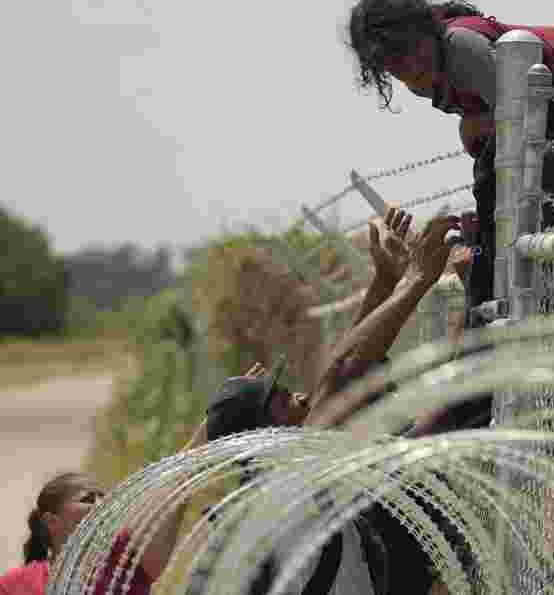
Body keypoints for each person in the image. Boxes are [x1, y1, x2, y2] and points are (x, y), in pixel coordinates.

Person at [199, 209, 463, 595]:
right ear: (264, 429)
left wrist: (386, 281)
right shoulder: (293, 480)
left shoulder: (270, 489)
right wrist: (417, 278)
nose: (302, 397)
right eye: (285, 399)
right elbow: (343, 371)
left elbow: (340, 373)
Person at [346, 0, 554, 317]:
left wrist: (477, 129)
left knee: (494, 183)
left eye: (409, 50)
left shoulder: (460, 46)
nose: (409, 66)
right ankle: (517, 279)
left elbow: (519, 117)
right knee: (496, 189)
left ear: (425, 30)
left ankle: (507, 293)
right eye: (393, 63)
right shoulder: (424, 77)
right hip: (549, 108)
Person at [0, 419, 208, 595]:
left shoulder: (127, 561)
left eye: (103, 498)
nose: (101, 505)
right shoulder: (16, 585)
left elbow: (179, 481)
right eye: (88, 499)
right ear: (51, 521)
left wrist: (215, 418)